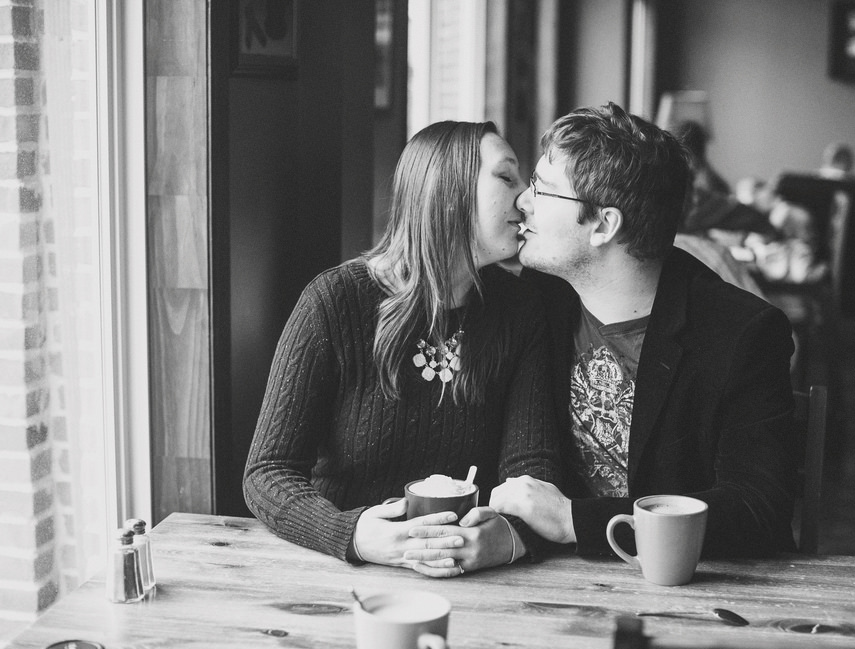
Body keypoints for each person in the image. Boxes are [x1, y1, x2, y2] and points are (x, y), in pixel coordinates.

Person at [243, 121, 561, 578]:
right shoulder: (335, 302)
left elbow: (533, 468)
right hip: (343, 576)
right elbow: (267, 472)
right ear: (447, 188)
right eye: (507, 177)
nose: (526, 198)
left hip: (479, 580)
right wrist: (349, 533)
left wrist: (509, 538)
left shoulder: (519, 308)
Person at [490, 102, 798, 558]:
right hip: (557, 586)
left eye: (544, 189)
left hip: (695, 592)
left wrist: (573, 521)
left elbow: (755, 509)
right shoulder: (538, 299)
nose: (523, 200)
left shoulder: (742, 334)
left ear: (603, 224)